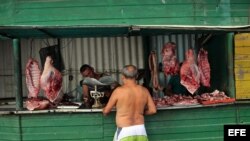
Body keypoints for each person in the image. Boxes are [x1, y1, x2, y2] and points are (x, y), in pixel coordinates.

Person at [103, 65, 157, 141]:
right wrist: (140, 112)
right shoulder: (144, 90)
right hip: (140, 130)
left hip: (125, 131)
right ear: (137, 76)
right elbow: (153, 110)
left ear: (122, 76)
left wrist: (104, 110)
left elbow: (106, 111)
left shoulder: (118, 91)